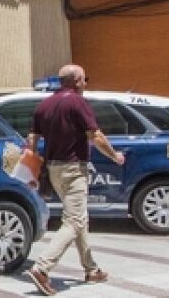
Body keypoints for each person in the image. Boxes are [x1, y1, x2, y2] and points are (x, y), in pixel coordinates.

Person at [25, 64, 126, 295]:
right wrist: (115, 156)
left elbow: (31, 139)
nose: (86, 84)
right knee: (74, 221)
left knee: (79, 217)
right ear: (77, 80)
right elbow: (95, 135)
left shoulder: (43, 105)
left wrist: (31, 169)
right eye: (84, 79)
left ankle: (91, 269)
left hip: (52, 169)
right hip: (73, 169)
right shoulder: (78, 103)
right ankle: (42, 268)